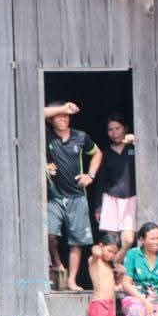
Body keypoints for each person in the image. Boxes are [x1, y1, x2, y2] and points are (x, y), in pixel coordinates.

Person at [43, 101, 102, 291]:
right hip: (54, 196)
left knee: (77, 241)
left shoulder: (80, 136)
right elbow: (38, 113)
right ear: (51, 120)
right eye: (59, 116)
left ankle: (72, 281)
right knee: (50, 234)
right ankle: (58, 263)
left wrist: (90, 176)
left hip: (77, 196)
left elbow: (97, 153)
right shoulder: (47, 135)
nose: (64, 118)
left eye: (66, 116)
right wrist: (44, 166)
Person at [96, 112, 136, 264]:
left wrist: (136, 139)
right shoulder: (106, 153)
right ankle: (114, 278)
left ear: (125, 128)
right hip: (111, 198)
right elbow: (101, 181)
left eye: (117, 128)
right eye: (110, 130)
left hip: (131, 198)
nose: (113, 133)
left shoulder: (134, 148)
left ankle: (116, 264)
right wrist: (98, 206)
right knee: (111, 243)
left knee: (128, 240)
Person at [87, 231, 121, 316]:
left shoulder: (109, 266)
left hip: (110, 306)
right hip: (99, 305)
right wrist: (99, 248)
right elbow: (95, 251)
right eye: (110, 251)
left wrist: (121, 273)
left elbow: (115, 287)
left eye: (114, 252)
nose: (112, 255)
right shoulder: (94, 261)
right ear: (102, 246)